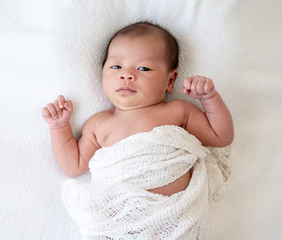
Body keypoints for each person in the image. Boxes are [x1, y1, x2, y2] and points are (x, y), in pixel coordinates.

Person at [41, 21, 234, 196]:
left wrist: (209, 98)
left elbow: (221, 136)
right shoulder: (98, 124)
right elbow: (73, 166)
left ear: (170, 80)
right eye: (116, 67)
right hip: (124, 217)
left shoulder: (178, 111)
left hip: (175, 216)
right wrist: (59, 127)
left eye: (143, 69)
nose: (126, 75)